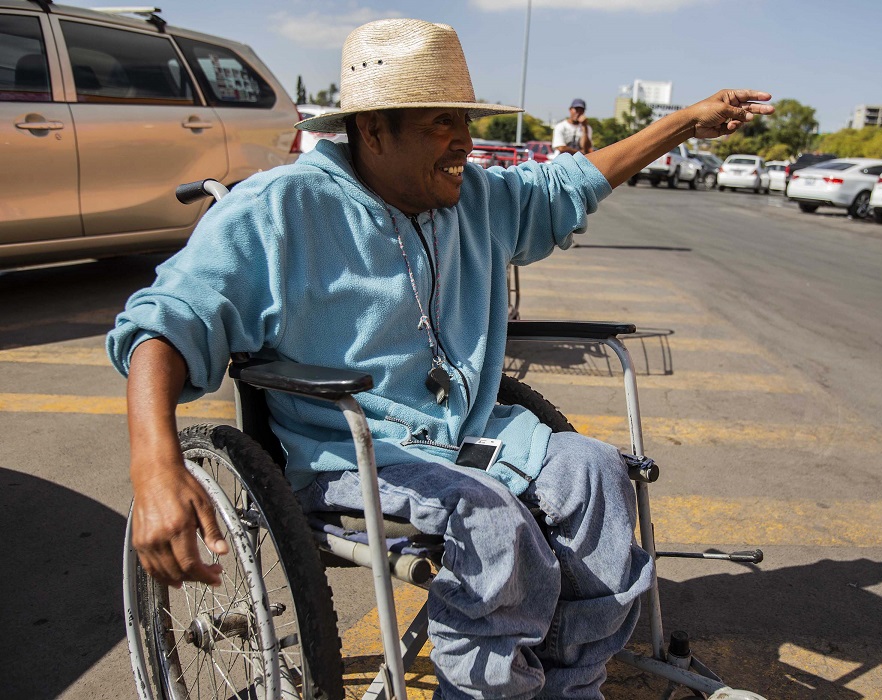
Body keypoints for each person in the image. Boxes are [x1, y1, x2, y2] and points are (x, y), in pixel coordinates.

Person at [107, 17, 772, 700]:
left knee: (598, 475)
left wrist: (686, 125)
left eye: (464, 119)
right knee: (488, 518)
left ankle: (569, 685)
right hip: (353, 454)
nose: (464, 139)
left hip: (473, 439)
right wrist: (155, 470)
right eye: (438, 123)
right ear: (372, 130)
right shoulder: (281, 209)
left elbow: (570, 184)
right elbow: (163, 324)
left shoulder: (474, 198)